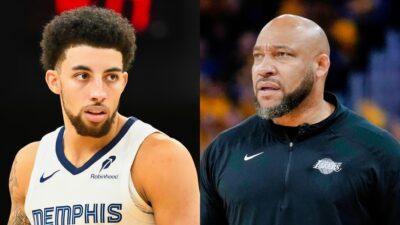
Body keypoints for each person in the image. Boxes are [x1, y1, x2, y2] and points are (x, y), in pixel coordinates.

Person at [200, 14, 400, 225]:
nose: (264, 68)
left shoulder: (378, 150)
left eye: (282, 54)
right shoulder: (223, 149)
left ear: (320, 65)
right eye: (258, 56)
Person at [8, 6, 199, 225]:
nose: (98, 93)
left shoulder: (161, 158)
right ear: (54, 81)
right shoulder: (29, 163)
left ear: (123, 82)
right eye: (82, 76)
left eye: (111, 77)